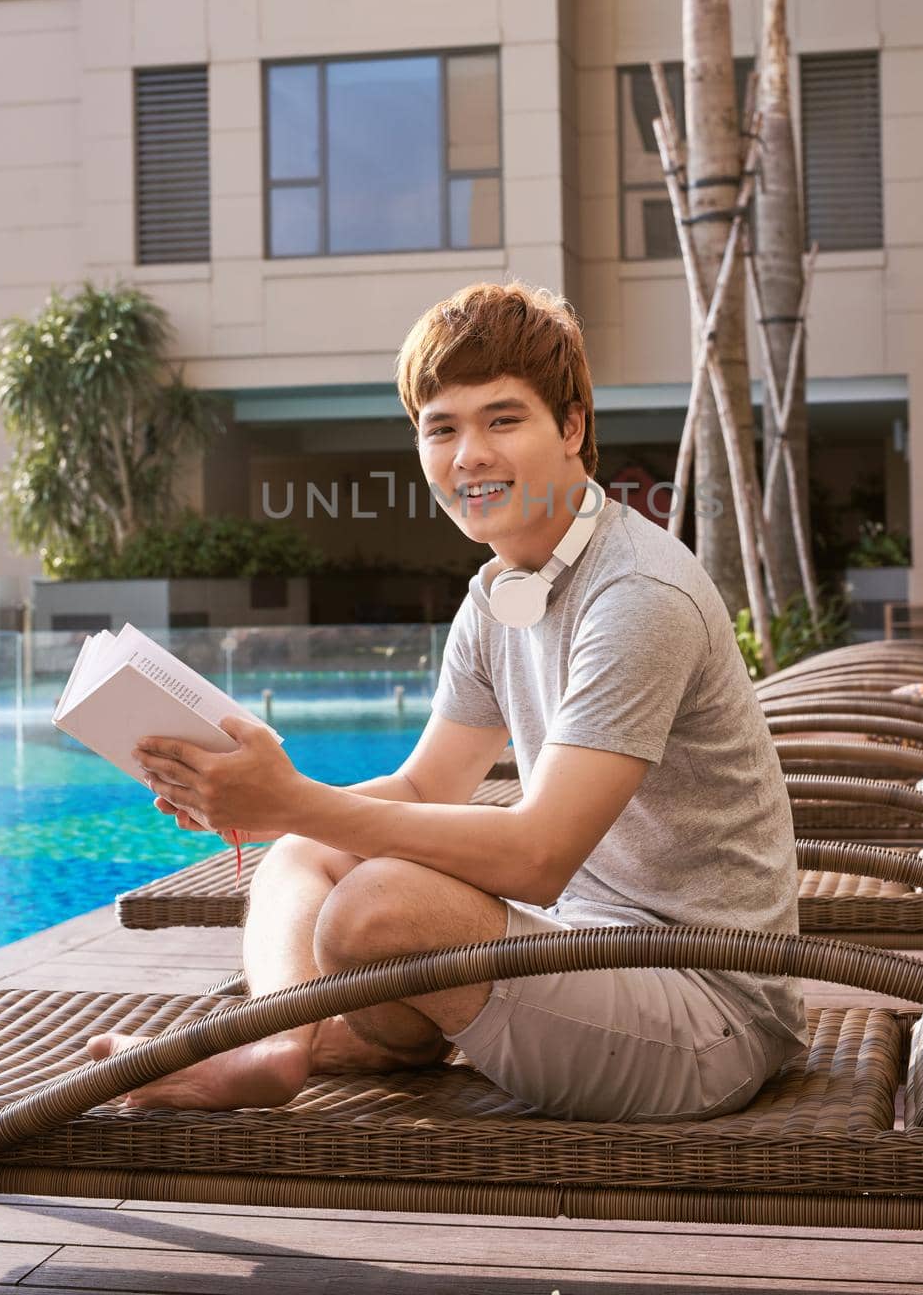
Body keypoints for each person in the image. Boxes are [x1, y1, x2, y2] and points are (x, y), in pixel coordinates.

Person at [88, 280, 809, 1120]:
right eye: (442, 427)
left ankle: (284, 1042)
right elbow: (428, 787)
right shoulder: (501, 591)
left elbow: (539, 855)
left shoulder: (637, 595)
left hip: (708, 1016)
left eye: (502, 420)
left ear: (572, 428)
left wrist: (295, 799)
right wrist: (258, 805)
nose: (468, 455)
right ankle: (275, 1047)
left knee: (378, 903)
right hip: (581, 955)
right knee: (301, 854)